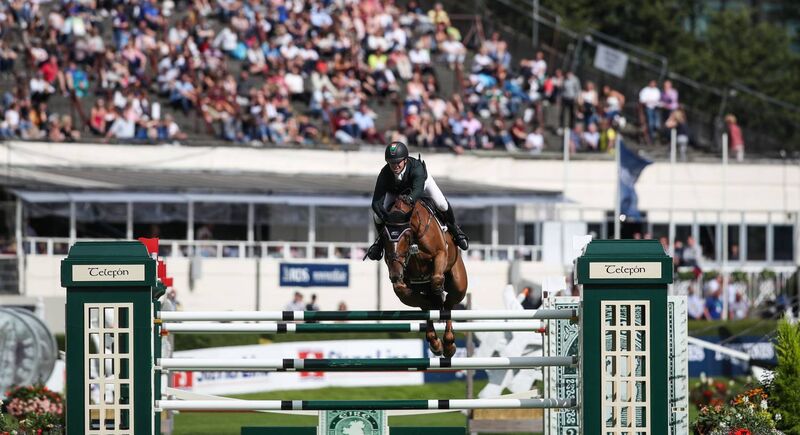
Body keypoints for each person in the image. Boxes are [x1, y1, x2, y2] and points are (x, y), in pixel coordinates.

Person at [366, 142, 469, 260]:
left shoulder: (416, 167)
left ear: (405, 160)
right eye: (391, 163)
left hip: (422, 185)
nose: (395, 166)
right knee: (377, 217)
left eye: (398, 162)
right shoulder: (384, 173)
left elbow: (417, 190)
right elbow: (376, 203)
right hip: (395, 191)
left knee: (442, 204)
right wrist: (386, 217)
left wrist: (408, 199)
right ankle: (380, 242)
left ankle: (455, 230)